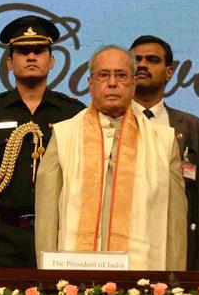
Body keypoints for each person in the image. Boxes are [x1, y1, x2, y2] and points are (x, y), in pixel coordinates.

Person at [35, 46, 187, 268]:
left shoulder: (163, 141)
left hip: (141, 283)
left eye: (121, 75)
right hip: (71, 283)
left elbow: (175, 228)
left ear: (134, 84)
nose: (112, 83)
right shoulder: (64, 134)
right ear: (90, 83)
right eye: (103, 75)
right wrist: (46, 279)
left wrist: (173, 285)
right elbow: (47, 222)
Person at [0, 15, 84, 268]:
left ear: (51, 61)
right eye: (22, 51)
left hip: (59, 234)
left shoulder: (73, 113)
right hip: (3, 237)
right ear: (9, 62)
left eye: (39, 51)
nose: (31, 57)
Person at [130, 35, 199, 269]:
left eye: (152, 60)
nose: (142, 65)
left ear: (169, 72)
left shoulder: (194, 128)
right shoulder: (108, 123)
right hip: (126, 240)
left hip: (175, 241)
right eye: (136, 60)